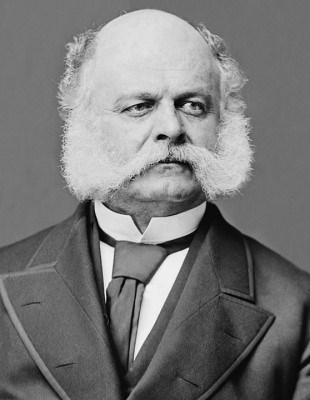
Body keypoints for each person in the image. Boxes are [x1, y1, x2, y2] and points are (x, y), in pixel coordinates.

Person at [0, 8, 309, 400]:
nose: (172, 127)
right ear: (85, 122)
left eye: (193, 105)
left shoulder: (298, 310)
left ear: (223, 123)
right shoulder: (3, 281)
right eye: (140, 106)